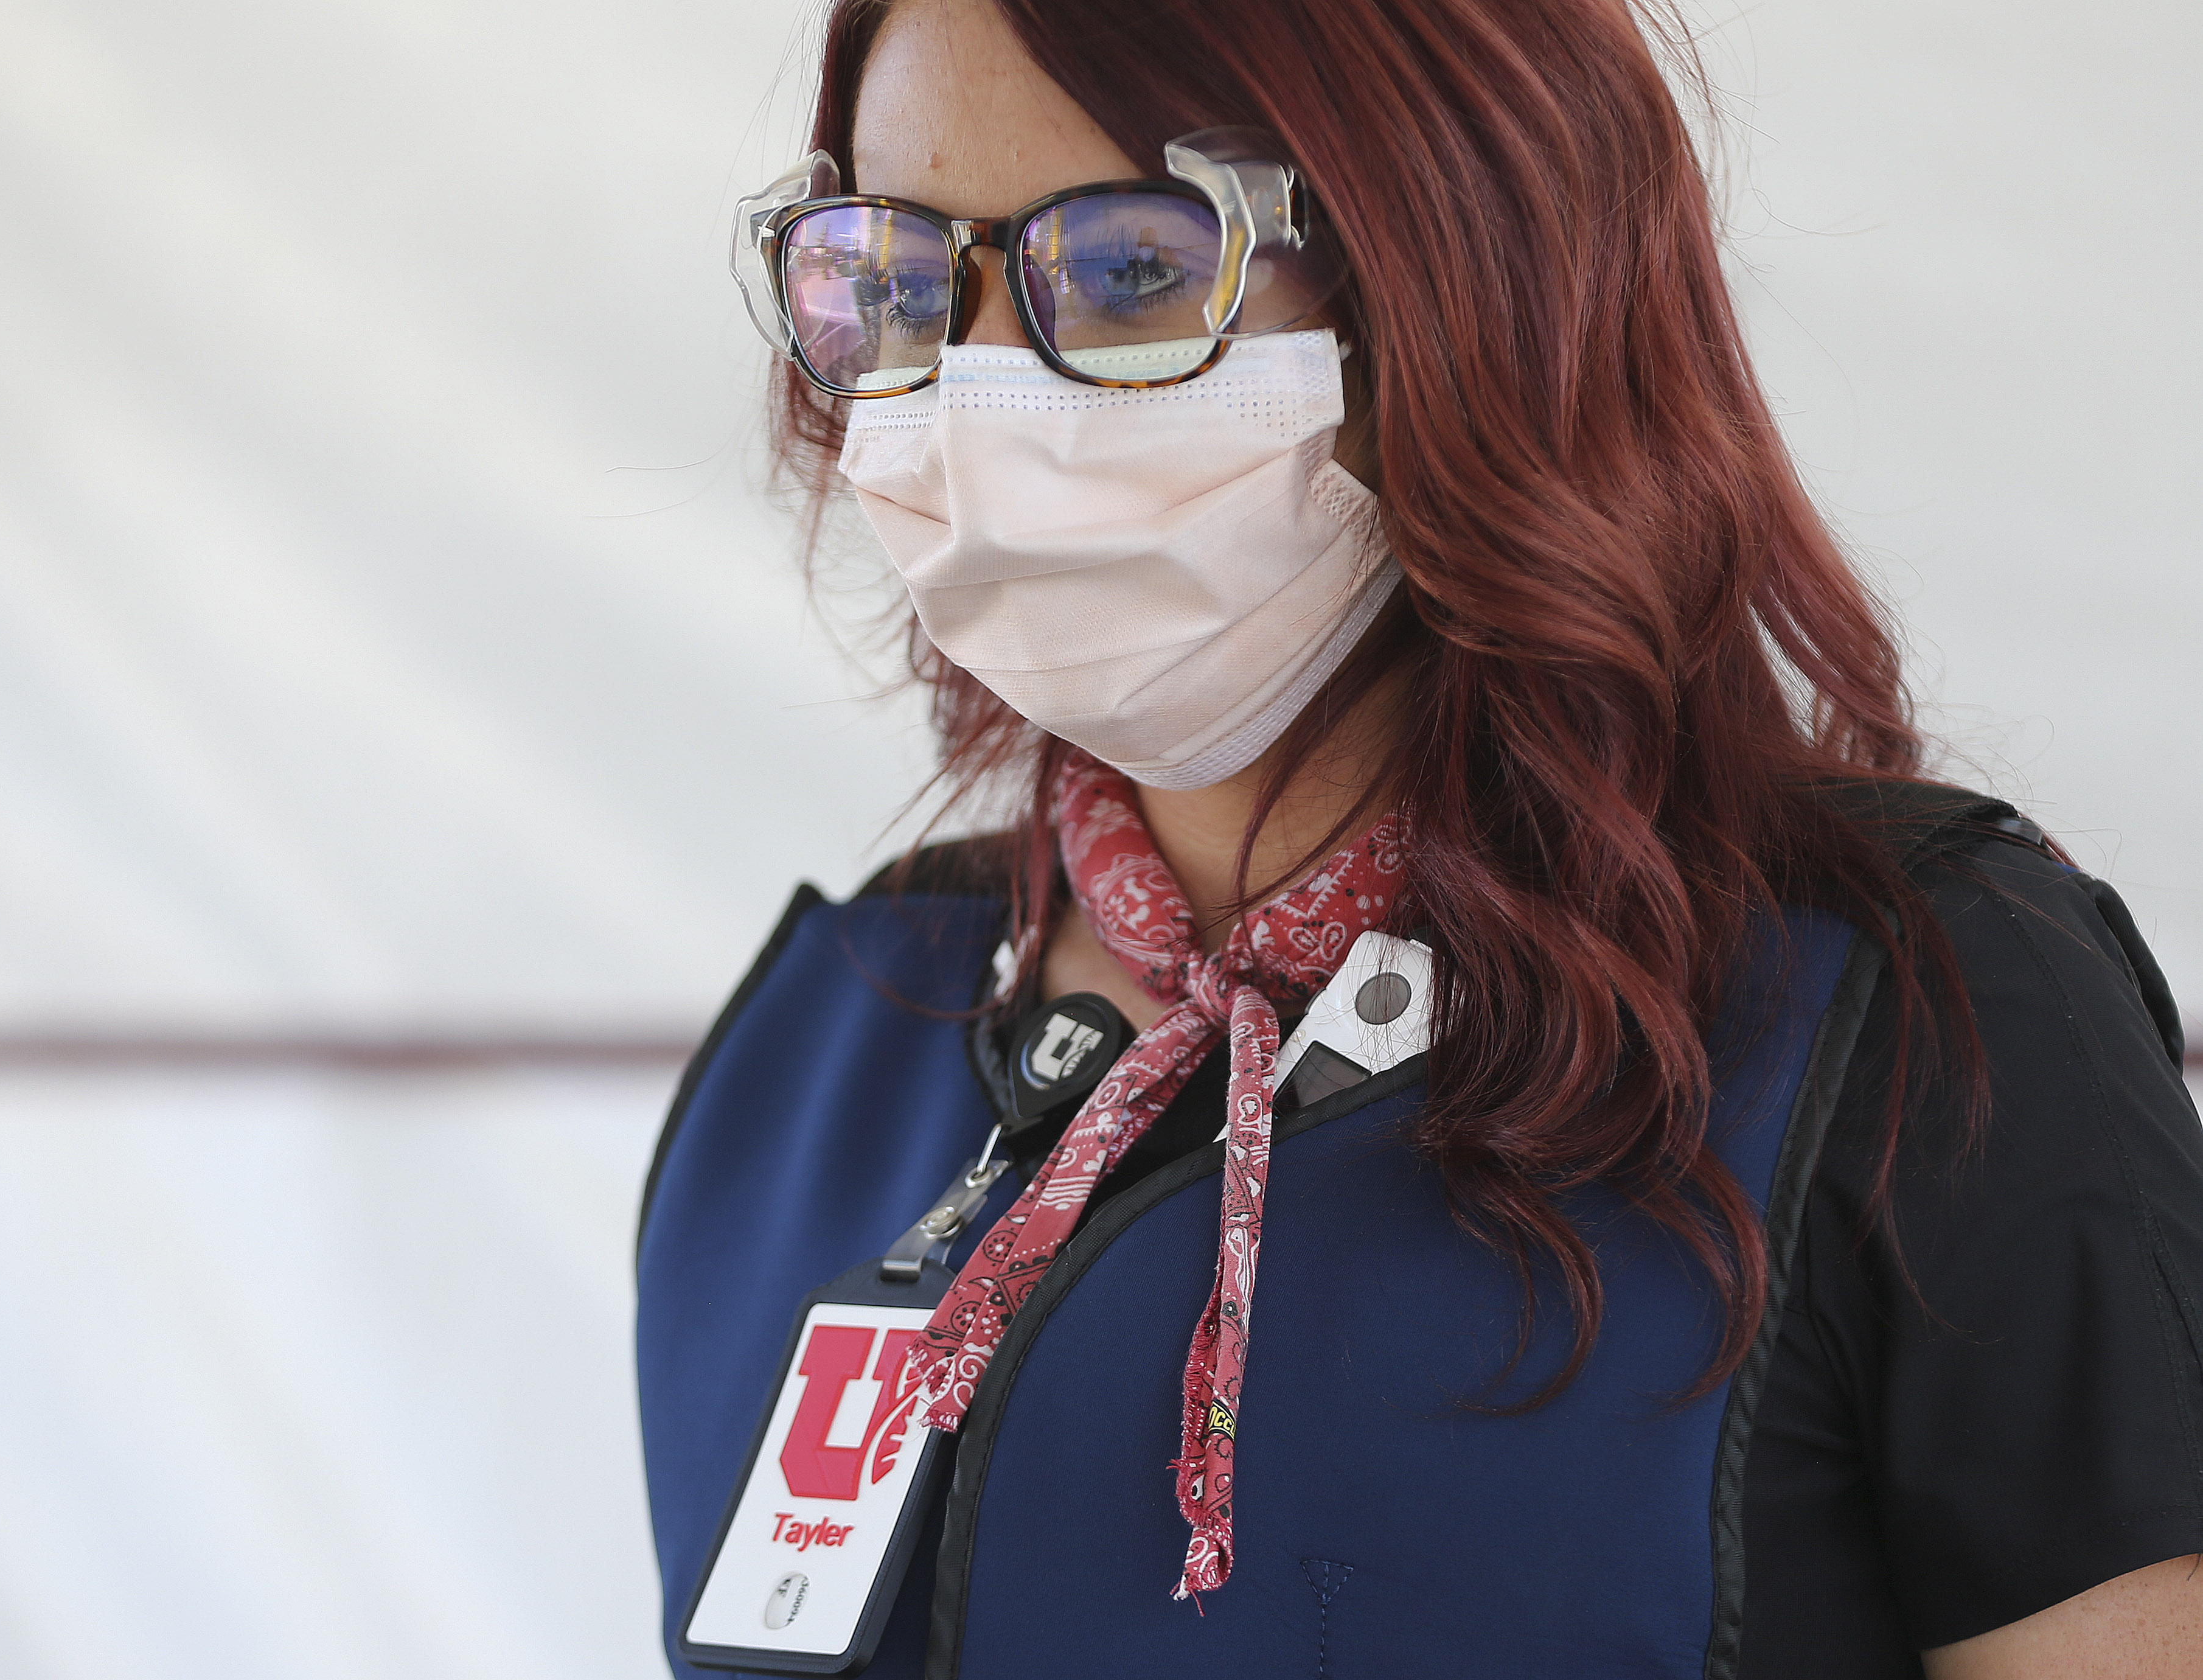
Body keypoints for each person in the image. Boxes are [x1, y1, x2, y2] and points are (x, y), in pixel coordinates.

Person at [635, 0, 2203, 1675]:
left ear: (1466, 272)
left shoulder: (1910, 1010)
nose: (977, 395)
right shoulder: (827, 1047)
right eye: (892, 280)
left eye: (1137, 269)